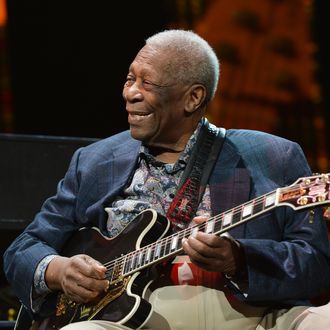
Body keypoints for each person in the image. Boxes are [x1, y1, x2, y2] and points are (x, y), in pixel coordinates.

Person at [3, 29, 330, 330]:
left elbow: (316, 263)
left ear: (193, 98)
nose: (130, 93)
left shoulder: (272, 155)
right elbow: (24, 249)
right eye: (130, 78)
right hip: (132, 320)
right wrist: (58, 270)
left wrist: (238, 259)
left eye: (148, 84)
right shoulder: (96, 161)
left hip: (251, 314)